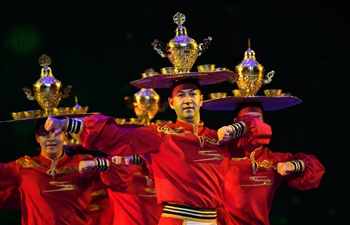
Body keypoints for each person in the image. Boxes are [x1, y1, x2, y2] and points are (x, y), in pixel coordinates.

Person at [44, 76, 270, 225]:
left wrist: (236, 126)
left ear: (202, 100)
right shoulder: (161, 134)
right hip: (177, 219)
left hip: (211, 221)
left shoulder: (217, 138)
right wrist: (68, 124)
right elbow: (116, 136)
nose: (188, 100)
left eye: (193, 94)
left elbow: (260, 130)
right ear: (171, 103)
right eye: (181, 95)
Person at [202, 98, 325, 225]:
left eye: (258, 119)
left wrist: (295, 165)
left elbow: (315, 168)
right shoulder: (222, 154)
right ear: (235, 122)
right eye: (247, 119)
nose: (255, 124)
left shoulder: (272, 160)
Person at [0, 118, 132, 225]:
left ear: (65, 136)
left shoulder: (83, 162)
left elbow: (123, 171)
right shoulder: (22, 166)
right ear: (37, 138)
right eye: (44, 134)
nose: (51, 138)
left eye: (56, 132)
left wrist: (99, 163)